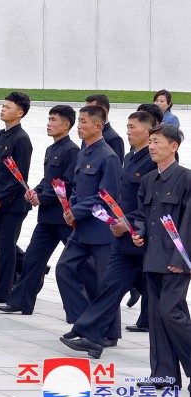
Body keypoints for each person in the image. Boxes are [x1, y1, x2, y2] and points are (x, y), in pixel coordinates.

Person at [62, 110, 157, 357]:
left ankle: (92, 331)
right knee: (108, 287)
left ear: (147, 131)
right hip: (123, 234)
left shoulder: (147, 161)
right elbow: (119, 199)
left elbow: (144, 203)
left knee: (163, 303)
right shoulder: (131, 157)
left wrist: (131, 225)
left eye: (132, 127)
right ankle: (91, 333)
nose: (127, 131)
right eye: (126, 126)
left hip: (141, 236)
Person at [0, 105, 80, 316]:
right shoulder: (51, 149)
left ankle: (82, 306)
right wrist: (34, 191)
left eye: (54, 120)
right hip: (46, 220)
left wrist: (42, 197)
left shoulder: (71, 151)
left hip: (62, 219)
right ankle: (21, 301)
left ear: (66, 125)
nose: (49, 124)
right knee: (33, 259)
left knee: (80, 264)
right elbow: (48, 179)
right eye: (48, 119)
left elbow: (67, 183)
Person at [130, 124, 191, 392]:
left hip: (177, 261)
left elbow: (189, 223)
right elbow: (142, 216)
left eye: (157, 142)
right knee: (156, 317)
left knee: (171, 313)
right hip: (152, 258)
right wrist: (138, 232)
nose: (151, 147)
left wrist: (182, 258)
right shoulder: (148, 180)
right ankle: (164, 375)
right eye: (150, 142)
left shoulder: (186, 179)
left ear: (174, 147)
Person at [56, 105, 122, 330]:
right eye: (80, 121)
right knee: (64, 268)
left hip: (101, 231)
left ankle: (109, 332)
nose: (79, 126)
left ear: (98, 126)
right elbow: (78, 188)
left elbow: (107, 196)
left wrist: (77, 210)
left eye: (84, 122)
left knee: (105, 283)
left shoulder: (108, 157)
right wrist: (70, 208)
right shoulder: (83, 152)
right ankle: (84, 321)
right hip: (81, 228)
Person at [0, 91, 33, 306]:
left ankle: (1, 291)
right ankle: (29, 269)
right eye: (3, 106)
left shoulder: (22, 140)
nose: (3, 109)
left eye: (8, 107)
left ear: (20, 113)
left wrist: (0, 198)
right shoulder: (2, 135)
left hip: (13, 204)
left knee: (5, 245)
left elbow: (20, 177)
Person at [85, 93, 125, 164]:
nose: (86, 114)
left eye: (91, 111)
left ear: (104, 112)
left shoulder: (114, 139)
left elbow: (115, 169)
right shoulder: (87, 134)